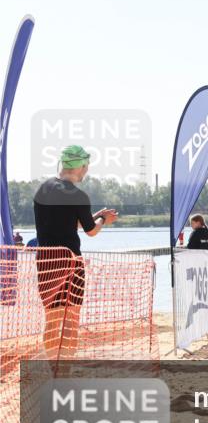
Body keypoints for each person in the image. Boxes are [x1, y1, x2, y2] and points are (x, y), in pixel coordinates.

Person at [33, 145, 118, 363]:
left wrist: (94, 215)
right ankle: (66, 372)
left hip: (46, 261)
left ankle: (53, 370)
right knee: (70, 320)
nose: (86, 171)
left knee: (51, 320)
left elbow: (64, 224)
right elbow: (91, 231)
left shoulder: (42, 190)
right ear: (80, 166)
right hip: (71, 263)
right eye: (86, 166)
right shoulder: (78, 195)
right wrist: (103, 220)